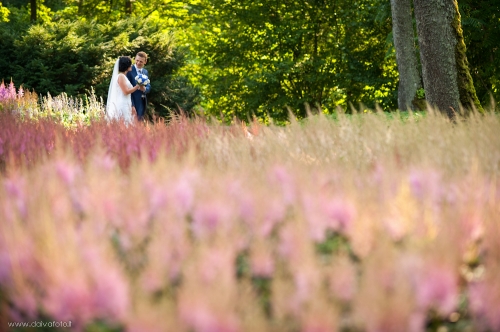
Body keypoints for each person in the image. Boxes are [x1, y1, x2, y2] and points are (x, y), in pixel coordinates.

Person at [106, 56, 141, 124]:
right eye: (129, 64)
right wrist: (137, 86)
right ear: (126, 66)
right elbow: (126, 91)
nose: (131, 65)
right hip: (123, 104)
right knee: (124, 123)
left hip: (127, 102)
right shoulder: (121, 76)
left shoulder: (123, 76)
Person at [126, 51, 151, 121]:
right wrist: (132, 105)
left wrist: (144, 89)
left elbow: (149, 86)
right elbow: (127, 89)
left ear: (145, 62)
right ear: (134, 59)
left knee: (140, 123)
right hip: (133, 101)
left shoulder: (145, 72)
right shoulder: (129, 71)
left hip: (143, 102)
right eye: (137, 60)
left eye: (141, 61)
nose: (138, 63)